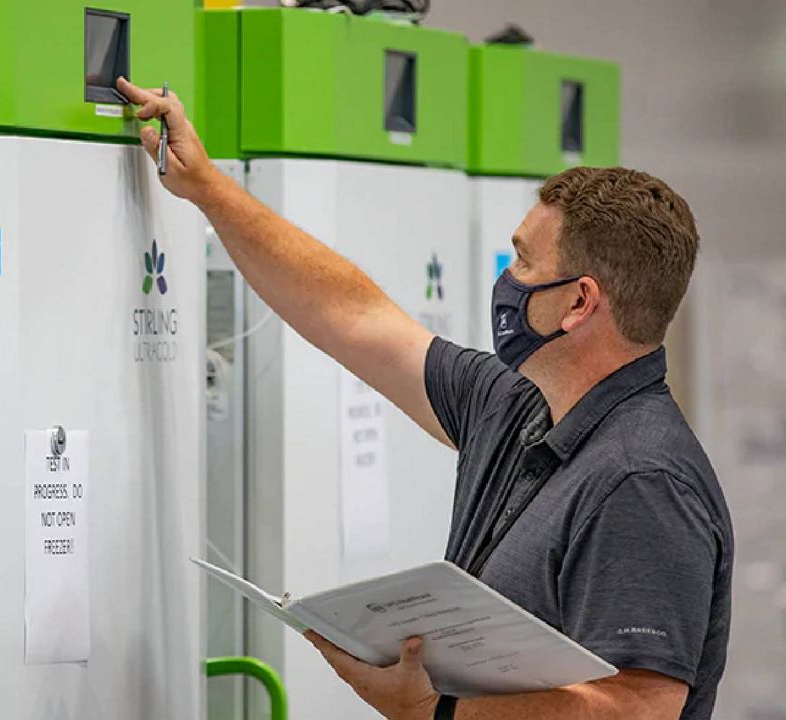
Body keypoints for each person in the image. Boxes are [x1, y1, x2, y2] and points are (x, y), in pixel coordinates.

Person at [114, 76, 733, 720]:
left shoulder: (643, 479)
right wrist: (208, 189)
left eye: (522, 262)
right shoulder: (515, 408)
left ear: (579, 302)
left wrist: (436, 713)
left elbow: (638, 709)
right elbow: (353, 317)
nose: (506, 281)